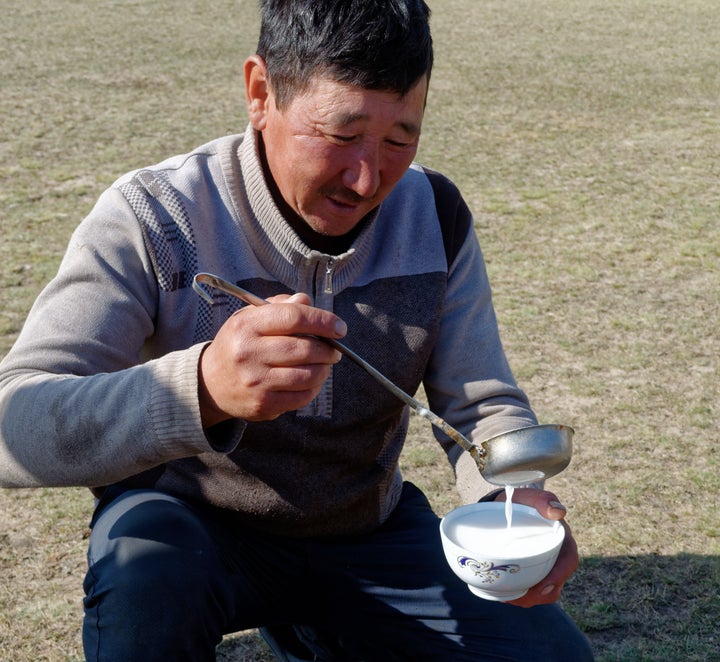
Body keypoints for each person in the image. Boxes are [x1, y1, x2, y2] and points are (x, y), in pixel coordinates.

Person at [0, 0, 594, 659]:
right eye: (341, 134)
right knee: (146, 598)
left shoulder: (435, 216)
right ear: (260, 92)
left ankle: (321, 623)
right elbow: (13, 424)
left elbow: (479, 405)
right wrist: (198, 389)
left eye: (400, 139)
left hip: (369, 533)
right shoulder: (155, 219)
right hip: (190, 530)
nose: (368, 178)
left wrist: (516, 500)